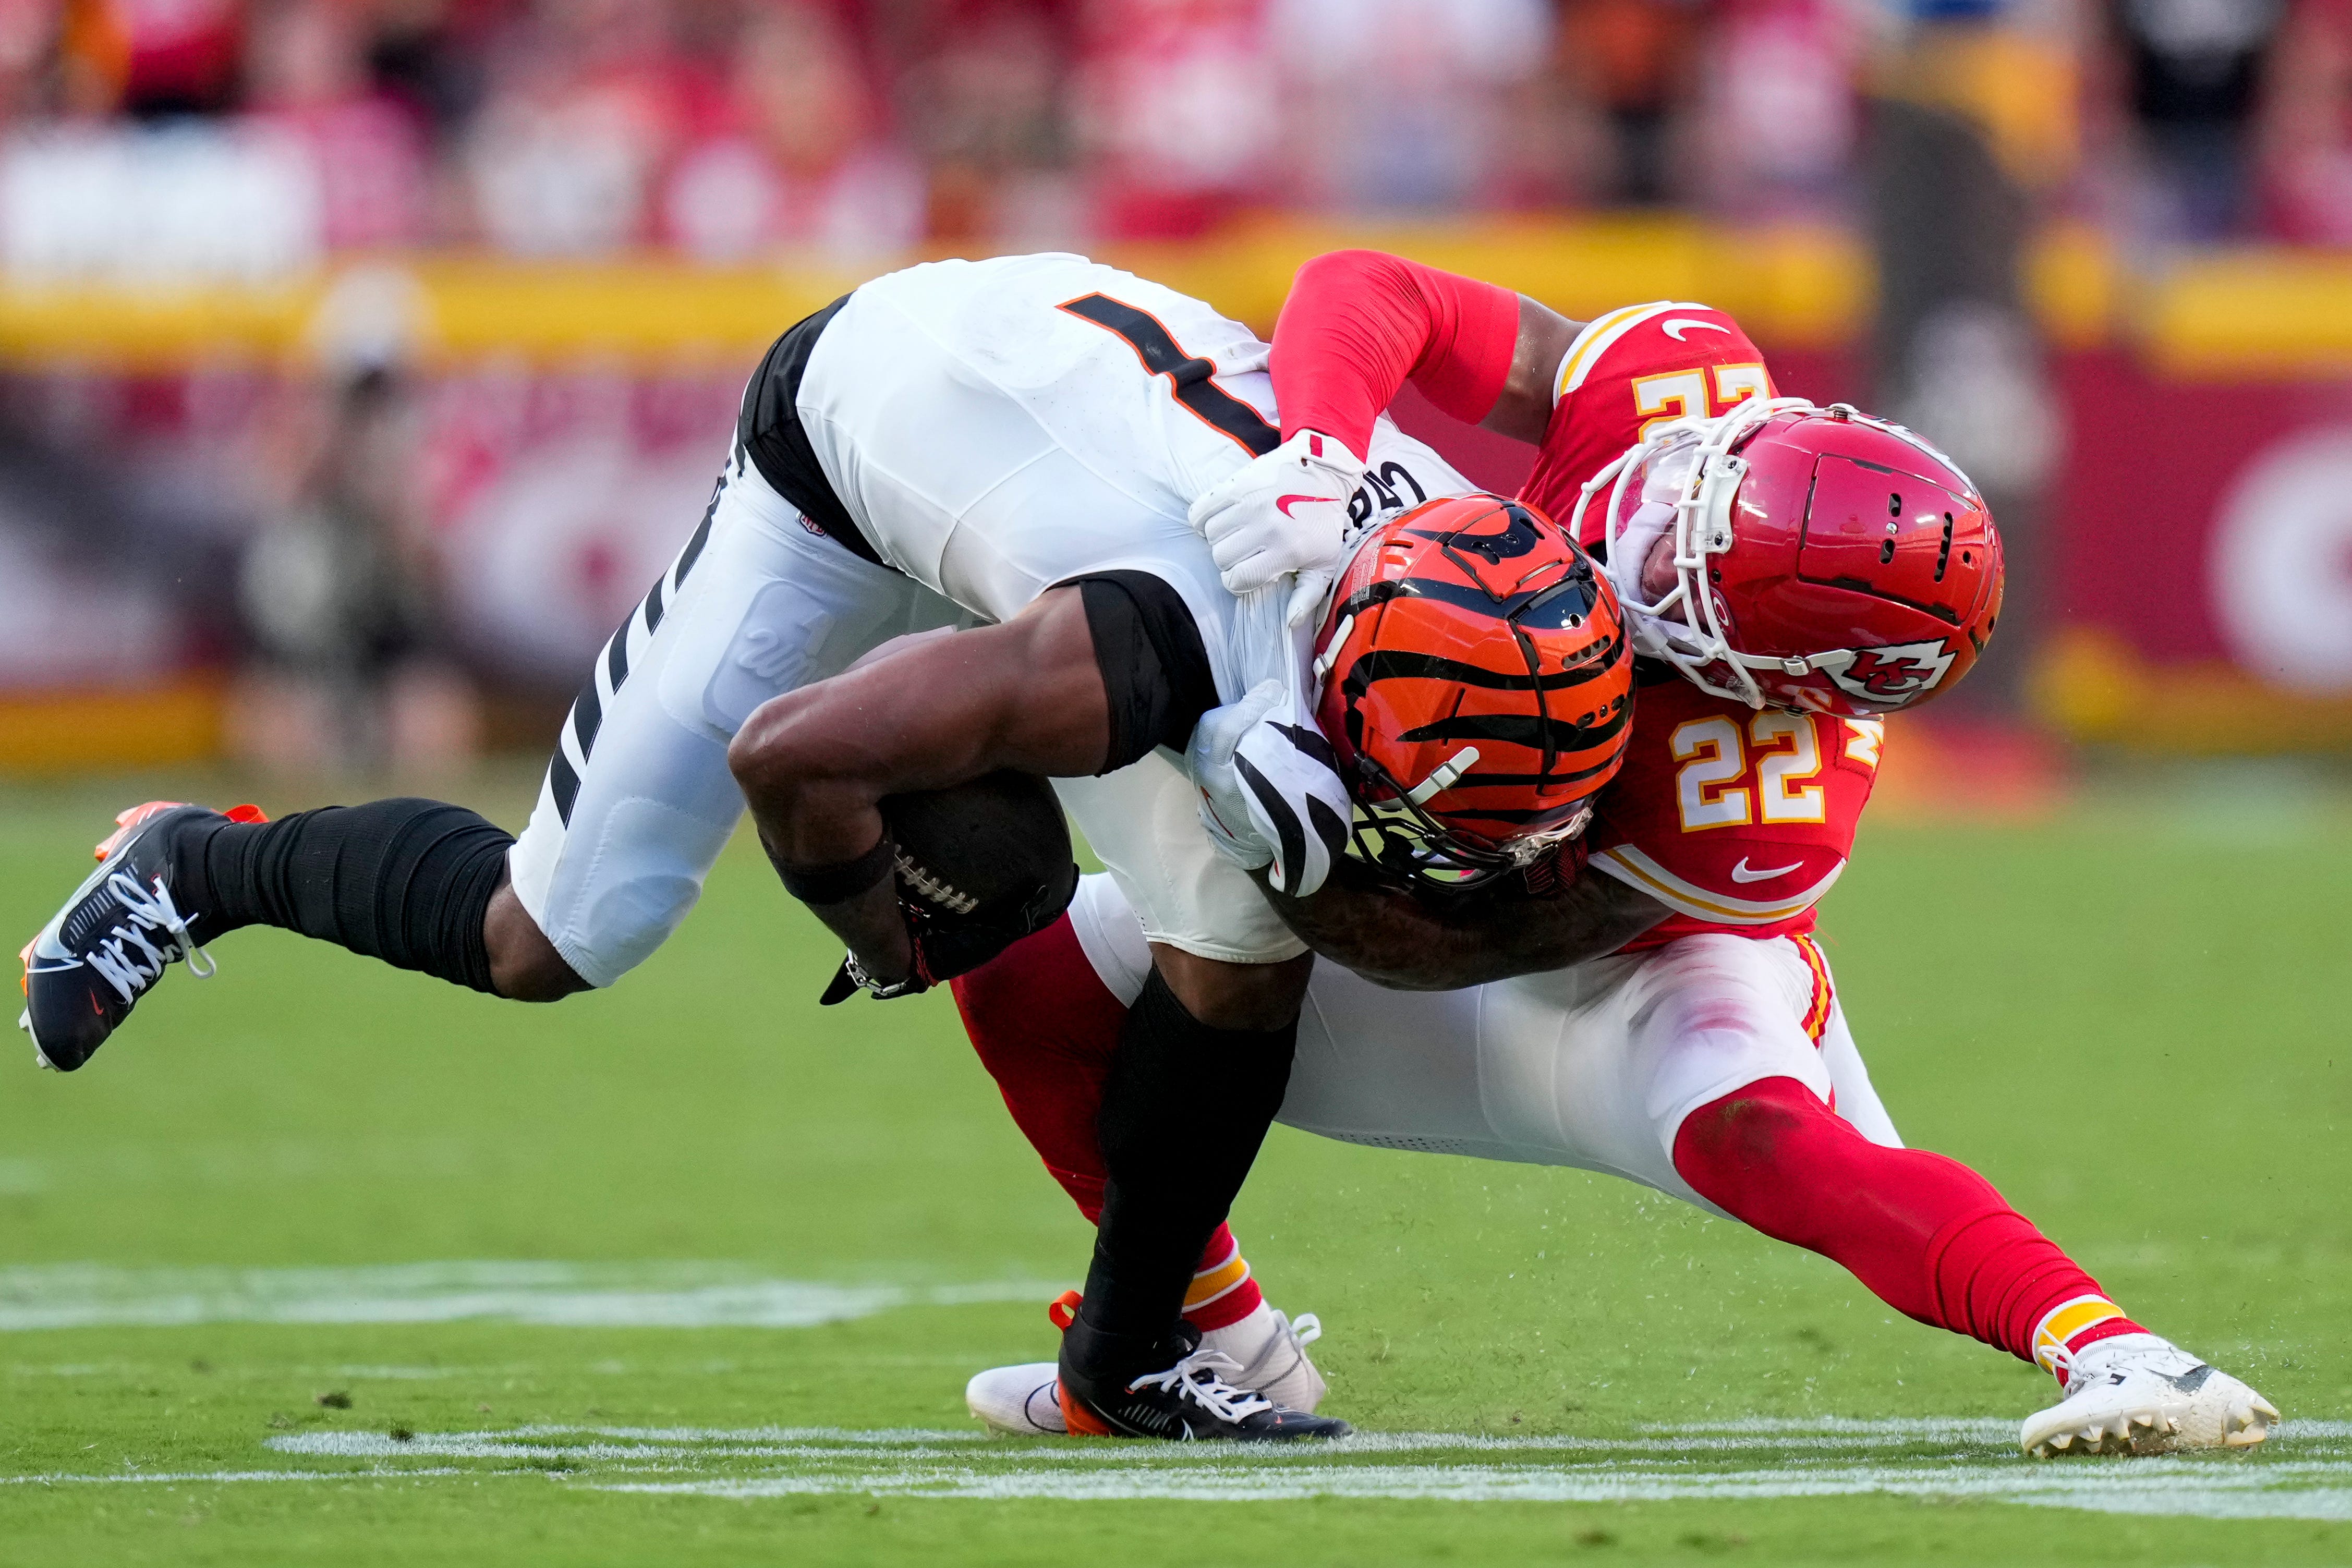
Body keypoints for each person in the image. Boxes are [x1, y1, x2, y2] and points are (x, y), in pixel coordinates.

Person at [19, 251, 1634, 1441]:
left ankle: (1126, 1360)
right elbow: (792, 757)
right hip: (852, 439)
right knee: (553, 931)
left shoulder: (1455, 555)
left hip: (1064, 426)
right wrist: (883, 933)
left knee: (1251, 922)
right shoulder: (1133, 652)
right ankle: (190, 864)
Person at [951, 250, 2277, 1457]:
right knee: (1023, 975)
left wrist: (1283, 842)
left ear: (1778, 687)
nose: (1639, 527)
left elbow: (1450, 948)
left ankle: (2118, 1350)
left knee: (1757, 1135)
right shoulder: (1671, 387)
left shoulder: (1755, 799)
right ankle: (1218, 1343)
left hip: (1608, 963)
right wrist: (1318, 450)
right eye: (1701, 490)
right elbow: (1370, 291)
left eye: (1692, 569)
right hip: (1440, 838)